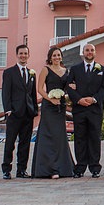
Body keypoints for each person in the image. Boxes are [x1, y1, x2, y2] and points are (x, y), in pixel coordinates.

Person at [30, 46, 75, 178]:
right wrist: (50, 99)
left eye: (59, 55)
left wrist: (70, 91)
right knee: (48, 135)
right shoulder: (46, 70)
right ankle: (49, 169)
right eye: (54, 55)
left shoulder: (66, 71)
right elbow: (39, 89)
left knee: (59, 136)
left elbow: (67, 89)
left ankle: (62, 168)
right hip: (49, 107)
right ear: (50, 57)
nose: (57, 57)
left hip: (60, 107)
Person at [67, 42, 104, 178]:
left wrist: (93, 99)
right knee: (80, 138)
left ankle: (95, 167)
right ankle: (80, 167)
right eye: (87, 50)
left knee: (95, 138)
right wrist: (79, 100)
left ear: (95, 53)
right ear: (83, 53)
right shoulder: (74, 69)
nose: (89, 52)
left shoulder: (102, 70)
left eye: (92, 50)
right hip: (79, 109)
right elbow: (69, 87)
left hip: (94, 109)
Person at [0, 43, 37, 180]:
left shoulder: (31, 73)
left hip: (28, 113)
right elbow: (5, 93)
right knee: (10, 143)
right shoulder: (9, 73)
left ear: (28, 55)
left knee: (25, 144)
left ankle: (21, 170)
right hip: (14, 113)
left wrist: (34, 110)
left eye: (25, 53)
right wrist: (8, 110)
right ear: (17, 55)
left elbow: (32, 94)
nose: (23, 56)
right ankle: (6, 169)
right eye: (21, 53)